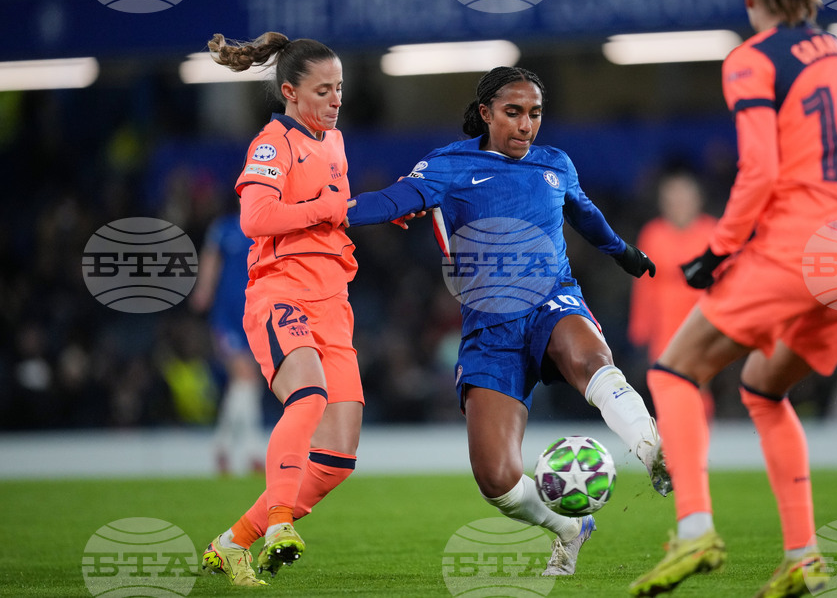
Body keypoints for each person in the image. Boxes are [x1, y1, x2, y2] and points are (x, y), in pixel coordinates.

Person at [629, 0, 837, 597]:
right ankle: (803, 556)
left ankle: (694, 530)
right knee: (763, 389)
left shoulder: (753, 58)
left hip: (800, 247)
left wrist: (719, 250)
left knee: (672, 371)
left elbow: (762, 170)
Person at [346, 66, 670, 577]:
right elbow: (390, 201)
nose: (525, 125)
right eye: (513, 112)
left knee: (591, 358)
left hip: (551, 299)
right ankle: (569, 527)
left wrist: (622, 252)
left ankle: (654, 451)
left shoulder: (555, 163)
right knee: (496, 479)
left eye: (535, 113)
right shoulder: (448, 166)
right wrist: (323, 212)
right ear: (486, 113)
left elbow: (584, 213)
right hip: (489, 328)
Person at [198, 31, 359, 587]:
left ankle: (230, 545)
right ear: (290, 92)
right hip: (282, 292)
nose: (336, 100)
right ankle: (279, 522)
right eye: (323, 90)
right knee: (308, 395)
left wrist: (378, 210)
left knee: (336, 459)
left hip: (333, 301)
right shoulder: (273, 143)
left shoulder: (334, 141)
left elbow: (335, 211)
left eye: (339, 88)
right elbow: (255, 218)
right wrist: (324, 207)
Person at [628, 170, 717, 417]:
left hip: (702, 317)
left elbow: (726, 280)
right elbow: (644, 284)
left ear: (697, 200)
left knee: (698, 380)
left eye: (684, 198)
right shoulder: (653, 233)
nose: (679, 205)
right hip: (664, 320)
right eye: (672, 200)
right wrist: (640, 327)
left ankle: (700, 431)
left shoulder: (712, 231)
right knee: (665, 380)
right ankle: (671, 432)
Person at [190, 209, 266, 476]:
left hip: (257, 312)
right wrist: (204, 290)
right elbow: (210, 258)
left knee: (246, 382)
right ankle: (253, 450)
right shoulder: (224, 228)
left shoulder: (268, 225)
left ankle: (222, 445)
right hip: (227, 315)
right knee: (246, 376)